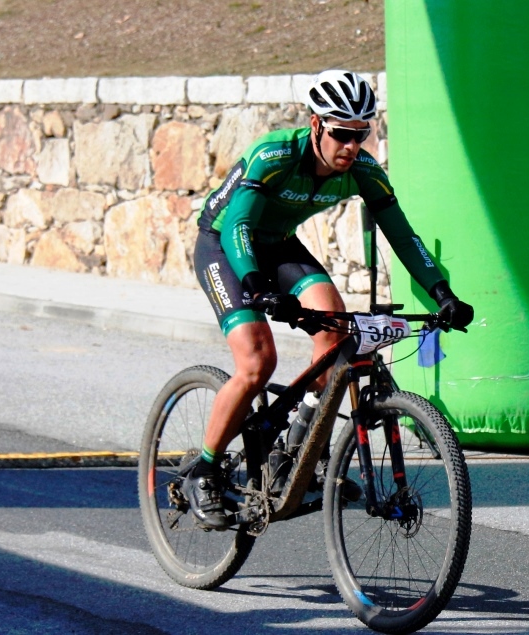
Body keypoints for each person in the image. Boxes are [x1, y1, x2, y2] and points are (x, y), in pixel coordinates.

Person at [185, 69, 473, 529]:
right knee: (258, 360)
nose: (352, 146)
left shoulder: (362, 170)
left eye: (363, 134)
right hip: (225, 244)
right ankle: (203, 471)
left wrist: (442, 292)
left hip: (278, 243)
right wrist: (258, 288)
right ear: (317, 124)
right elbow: (238, 223)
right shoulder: (275, 154)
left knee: (337, 331)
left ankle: (295, 450)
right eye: (342, 134)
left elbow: (403, 236)